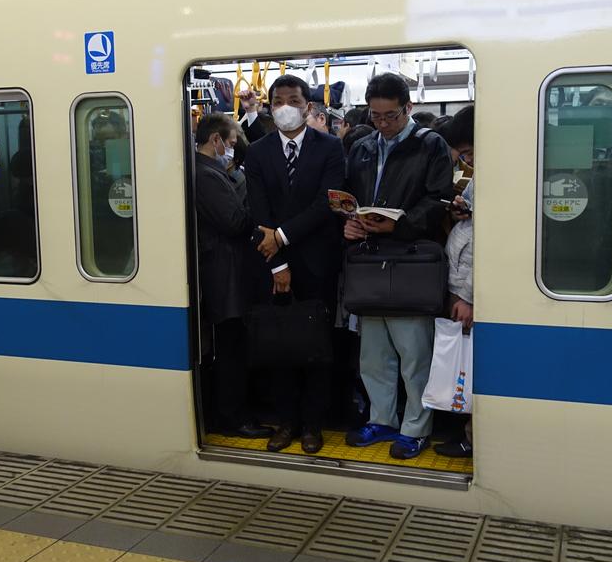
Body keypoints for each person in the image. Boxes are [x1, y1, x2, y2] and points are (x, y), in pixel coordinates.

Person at [343, 73, 454, 459]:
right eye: (375, 116)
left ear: (407, 108)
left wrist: (399, 223)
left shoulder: (430, 145)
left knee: (414, 353)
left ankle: (416, 427)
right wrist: (351, 220)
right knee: (374, 354)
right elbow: (352, 196)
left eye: (390, 116)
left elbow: (440, 200)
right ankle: (382, 418)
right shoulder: (360, 147)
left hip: (411, 260)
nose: (382, 123)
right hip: (370, 259)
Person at [244, 75, 346, 454]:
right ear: (270, 106)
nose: (285, 106)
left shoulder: (330, 148)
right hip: (273, 265)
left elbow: (327, 202)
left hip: (318, 261)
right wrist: (277, 264)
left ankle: (313, 425)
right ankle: (285, 422)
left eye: (293, 99)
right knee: (280, 346)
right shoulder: (257, 151)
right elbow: (258, 210)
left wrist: (282, 236)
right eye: (278, 100)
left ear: (308, 105)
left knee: (316, 348)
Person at [193, 114, 272, 439]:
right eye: (230, 142)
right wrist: (259, 201)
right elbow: (235, 222)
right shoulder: (207, 176)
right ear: (216, 141)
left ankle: (232, 413)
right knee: (230, 350)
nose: (231, 149)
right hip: (223, 275)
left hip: (221, 271)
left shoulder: (207, 171)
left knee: (231, 348)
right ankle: (231, 418)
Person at [435, 177, 475, 458]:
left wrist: (469, 297)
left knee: (473, 368)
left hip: (468, 293)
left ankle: (474, 438)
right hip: (458, 287)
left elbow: (489, 251)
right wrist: (459, 208)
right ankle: (467, 431)